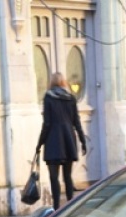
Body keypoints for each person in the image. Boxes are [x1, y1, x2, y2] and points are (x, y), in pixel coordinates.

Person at [36, 72, 87, 208]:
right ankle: (70, 205)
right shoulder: (71, 98)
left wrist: (40, 143)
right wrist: (82, 141)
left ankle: (57, 207)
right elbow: (77, 122)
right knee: (68, 176)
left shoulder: (48, 98)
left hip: (53, 141)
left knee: (54, 177)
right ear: (64, 82)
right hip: (68, 139)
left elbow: (46, 123)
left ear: (51, 83)